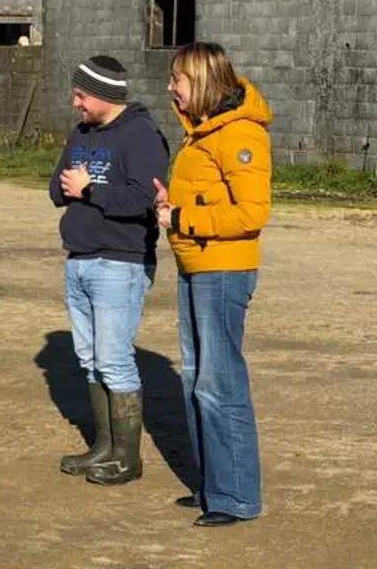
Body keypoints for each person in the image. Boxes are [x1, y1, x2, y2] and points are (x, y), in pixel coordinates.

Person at [153, 41, 272, 527]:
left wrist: (183, 215)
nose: (170, 88)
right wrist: (173, 204)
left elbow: (252, 212)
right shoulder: (201, 134)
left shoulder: (239, 134)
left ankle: (236, 496)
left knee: (219, 383)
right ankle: (213, 486)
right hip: (196, 264)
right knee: (197, 379)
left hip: (222, 270)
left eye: (177, 80)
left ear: (200, 81)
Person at [49, 55, 169, 486]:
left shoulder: (141, 136)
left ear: (102, 95)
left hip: (120, 262)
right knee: (90, 361)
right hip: (79, 259)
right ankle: (102, 447)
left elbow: (144, 200)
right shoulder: (80, 134)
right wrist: (73, 187)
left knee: (115, 361)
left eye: (81, 94)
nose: (74, 102)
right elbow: (56, 188)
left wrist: (90, 189)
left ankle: (126, 457)